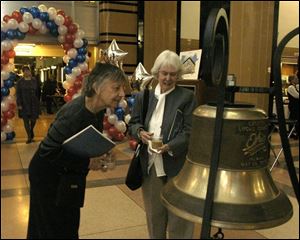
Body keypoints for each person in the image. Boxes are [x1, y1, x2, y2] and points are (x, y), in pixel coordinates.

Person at [27, 63, 126, 239]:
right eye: (116, 88)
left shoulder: (97, 110)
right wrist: (88, 162)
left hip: (69, 175)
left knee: (69, 225)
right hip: (47, 176)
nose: (121, 94)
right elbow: (48, 151)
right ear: (96, 86)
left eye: (122, 89)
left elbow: (81, 142)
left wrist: (101, 155)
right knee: (49, 228)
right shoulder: (74, 112)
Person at [128, 50, 197, 239]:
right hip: (150, 165)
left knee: (179, 217)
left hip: (178, 166)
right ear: (157, 73)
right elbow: (133, 124)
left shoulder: (186, 97)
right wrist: (140, 132)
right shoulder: (144, 97)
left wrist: (170, 146)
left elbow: (190, 131)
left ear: (178, 75)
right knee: (154, 215)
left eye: (173, 74)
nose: (168, 78)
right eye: (164, 73)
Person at [16, 66, 40, 144]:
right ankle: (29, 137)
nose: (27, 72)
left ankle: (31, 130)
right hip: (24, 103)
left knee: (33, 120)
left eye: (28, 70)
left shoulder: (34, 80)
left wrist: (38, 101)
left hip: (34, 103)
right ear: (23, 72)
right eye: (25, 71)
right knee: (26, 121)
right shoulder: (20, 82)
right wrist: (19, 104)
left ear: (30, 71)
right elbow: (18, 93)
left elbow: (38, 91)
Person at [287, 72, 299, 139]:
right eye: (296, 78)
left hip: (296, 105)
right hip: (294, 106)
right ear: (292, 80)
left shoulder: (295, 86)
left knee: (295, 118)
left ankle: (294, 133)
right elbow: (297, 96)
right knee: (294, 118)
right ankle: (292, 133)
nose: (297, 79)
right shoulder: (290, 87)